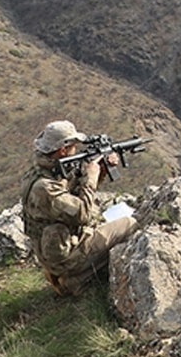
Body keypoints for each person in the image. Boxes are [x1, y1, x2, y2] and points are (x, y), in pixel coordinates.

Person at [20, 120, 138, 296]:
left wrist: (102, 171)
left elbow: (72, 199)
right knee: (130, 224)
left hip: (54, 248)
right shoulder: (44, 187)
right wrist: (90, 177)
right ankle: (75, 281)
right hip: (63, 256)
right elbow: (82, 213)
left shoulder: (42, 171)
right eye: (73, 146)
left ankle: (69, 274)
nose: (76, 150)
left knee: (101, 220)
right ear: (62, 150)